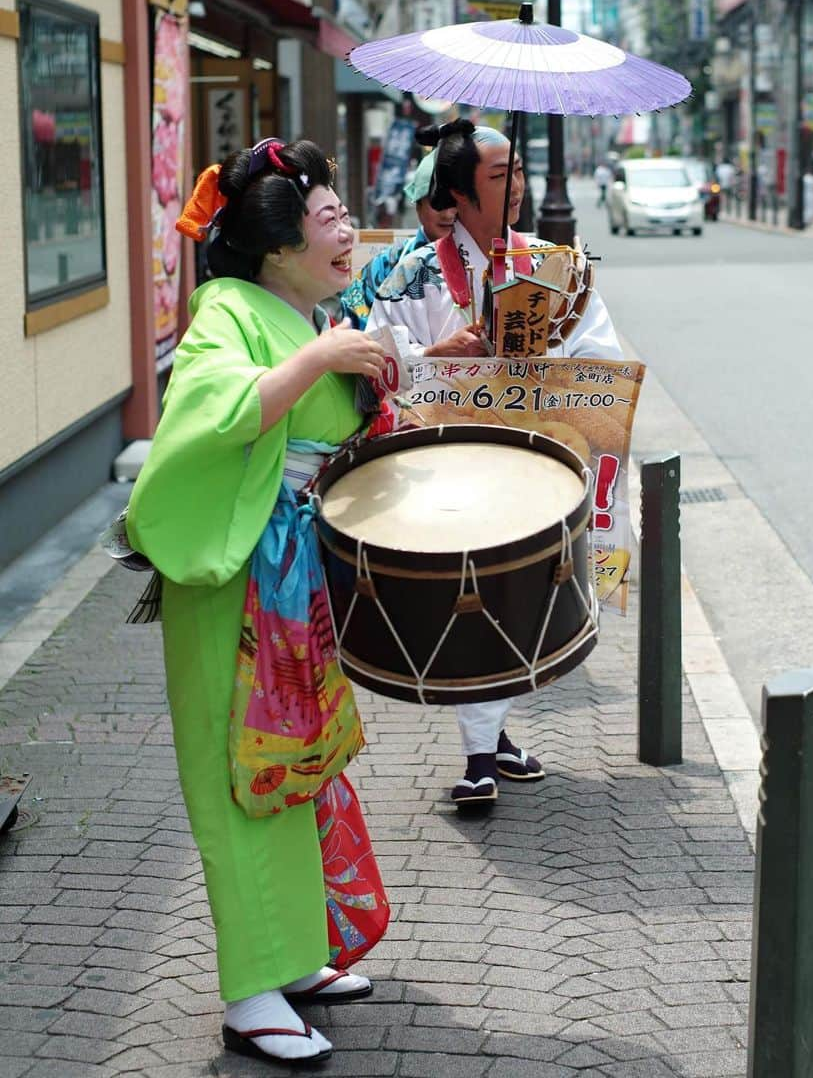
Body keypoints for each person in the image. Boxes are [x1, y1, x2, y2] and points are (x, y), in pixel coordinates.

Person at [125, 139, 390, 1066]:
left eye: (344, 213)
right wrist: (320, 358)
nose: (348, 228)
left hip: (289, 574)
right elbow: (211, 415)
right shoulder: (226, 311)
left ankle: (295, 956)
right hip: (234, 576)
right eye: (328, 218)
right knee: (236, 777)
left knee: (295, 763)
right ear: (277, 246)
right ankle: (248, 992)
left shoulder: (307, 310)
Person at [366, 119, 625, 808]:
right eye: (497, 175)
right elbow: (372, 367)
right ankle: (482, 752)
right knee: (469, 596)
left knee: (515, 599)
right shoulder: (410, 272)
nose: (517, 187)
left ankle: (492, 739)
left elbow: (602, 360)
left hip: (530, 464)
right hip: (446, 467)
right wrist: (435, 356)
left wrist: (550, 362)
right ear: (454, 193)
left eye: (518, 171)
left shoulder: (554, 266)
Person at [340, 148, 456, 330]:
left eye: (456, 202)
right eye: (437, 202)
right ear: (417, 204)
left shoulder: (496, 261)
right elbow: (355, 335)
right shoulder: (383, 267)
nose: (449, 213)